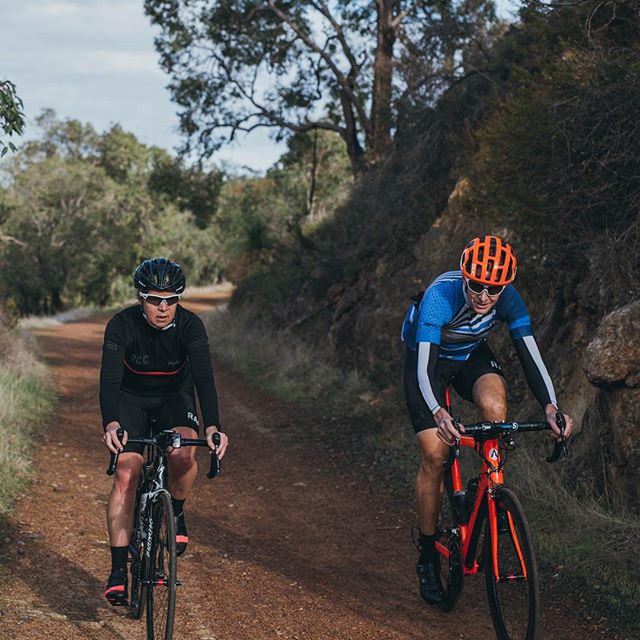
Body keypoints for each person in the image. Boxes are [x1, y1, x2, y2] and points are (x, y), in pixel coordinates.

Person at [401, 235, 573, 605]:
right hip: (427, 361)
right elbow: (425, 368)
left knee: (495, 408)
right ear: (464, 277)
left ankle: (483, 493)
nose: (483, 295)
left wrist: (550, 406)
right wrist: (438, 412)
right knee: (434, 454)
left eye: (493, 289)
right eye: (476, 285)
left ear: (504, 286)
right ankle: (429, 556)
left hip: (468, 355)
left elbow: (530, 356)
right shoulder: (440, 296)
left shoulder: (509, 300)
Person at [100, 257, 229, 605]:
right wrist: (111, 422)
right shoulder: (122, 325)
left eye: (171, 299)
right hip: (131, 399)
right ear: (141, 298)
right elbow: (110, 381)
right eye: (155, 299)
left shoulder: (190, 326)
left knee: (185, 451)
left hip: (175, 396)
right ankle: (116, 572)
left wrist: (215, 425)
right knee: (127, 471)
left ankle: (176, 511)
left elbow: (204, 378)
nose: (163, 307)